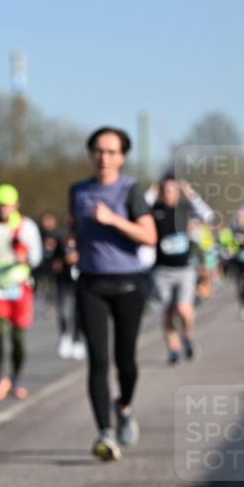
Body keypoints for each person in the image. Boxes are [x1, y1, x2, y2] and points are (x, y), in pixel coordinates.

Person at [70, 127, 156, 462]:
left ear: (121, 157)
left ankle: (124, 406)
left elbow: (149, 237)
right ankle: (105, 433)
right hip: (91, 283)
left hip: (129, 285)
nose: (103, 157)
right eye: (98, 151)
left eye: (111, 152)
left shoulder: (131, 190)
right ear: (91, 154)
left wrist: (113, 220)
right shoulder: (78, 191)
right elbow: (75, 229)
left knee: (126, 362)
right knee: (97, 361)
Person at [147, 173, 214, 364]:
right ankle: (173, 349)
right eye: (166, 190)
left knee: (183, 309)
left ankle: (188, 336)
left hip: (184, 269)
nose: (169, 193)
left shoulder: (185, 209)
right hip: (162, 270)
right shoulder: (155, 210)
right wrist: (152, 190)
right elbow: (137, 211)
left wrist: (190, 193)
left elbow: (208, 215)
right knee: (168, 312)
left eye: (173, 189)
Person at [0, 184, 42, 401]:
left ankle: (16, 378)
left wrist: (24, 257)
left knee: (18, 338)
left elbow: (36, 257)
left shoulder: (26, 227)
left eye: (7, 205)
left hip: (19, 286)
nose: (3, 210)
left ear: (15, 205)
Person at [52, 230, 85, 360]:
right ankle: (64, 335)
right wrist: (62, 262)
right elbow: (54, 263)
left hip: (79, 282)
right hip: (63, 282)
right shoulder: (60, 247)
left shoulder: (82, 245)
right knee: (63, 311)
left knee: (78, 312)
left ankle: (77, 338)